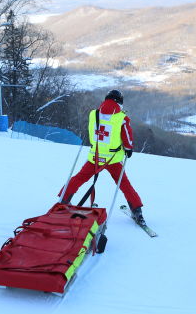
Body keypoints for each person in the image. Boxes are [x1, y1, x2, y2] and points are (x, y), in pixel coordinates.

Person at [60, 89, 146, 225]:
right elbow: (127, 137)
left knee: (80, 177)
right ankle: (137, 210)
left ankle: (63, 199)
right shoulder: (121, 118)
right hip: (113, 159)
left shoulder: (93, 114)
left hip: (95, 157)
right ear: (119, 102)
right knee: (124, 184)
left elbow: (91, 129)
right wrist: (129, 149)